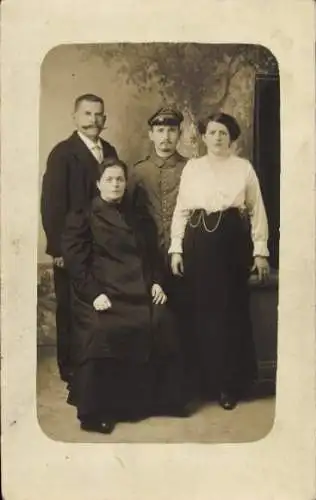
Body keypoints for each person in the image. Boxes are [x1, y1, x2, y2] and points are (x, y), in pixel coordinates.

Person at [61, 157, 185, 434]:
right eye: (109, 179)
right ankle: (100, 410)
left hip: (139, 291)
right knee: (105, 330)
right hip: (104, 293)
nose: (115, 185)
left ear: (125, 183)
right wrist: (94, 294)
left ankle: (159, 401)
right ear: (98, 183)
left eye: (119, 179)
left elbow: (151, 256)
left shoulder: (137, 217)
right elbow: (76, 263)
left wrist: (156, 283)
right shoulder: (82, 216)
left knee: (162, 321)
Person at [169, 112, 270, 410]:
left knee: (229, 313)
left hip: (230, 244)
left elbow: (257, 211)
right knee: (199, 311)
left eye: (223, 133)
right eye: (212, 132)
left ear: (232, 137)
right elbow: (181, 210)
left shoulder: (243, 168)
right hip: (197, 243)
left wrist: (260, 252)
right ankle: (202, 383)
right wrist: (176, 248)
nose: (217, 138)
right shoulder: (192, 168)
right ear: (203, 136)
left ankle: (229, 384)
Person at [40, 94, 118, 384]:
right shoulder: (62, 153)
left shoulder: (108, 149)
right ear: (75, 118)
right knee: (70, 303)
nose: (93, 120)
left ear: (105, 119)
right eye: (87, 114)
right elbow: (51, 203)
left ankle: (95, 362)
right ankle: (69, 366)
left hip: (102, 241)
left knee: (96, 299)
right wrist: (57, 247)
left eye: (99, 115)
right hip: (71, 244)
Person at [129, 106, 194, 405]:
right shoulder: (138, 171)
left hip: (184, 257)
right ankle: (151, 389)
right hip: (149, 259)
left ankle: (186, 388)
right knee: (153, 321)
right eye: (160, 131)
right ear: (151, 133)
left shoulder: (192, 168)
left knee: (186, 318)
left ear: (179, 134)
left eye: (171, 131)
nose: (166, 137)